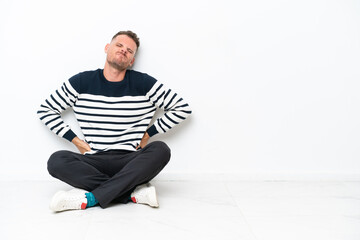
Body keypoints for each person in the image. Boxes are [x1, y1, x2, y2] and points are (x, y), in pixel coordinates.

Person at [37, 30, 192, 212]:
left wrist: (148, 134)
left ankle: (92, 198)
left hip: (130, 160)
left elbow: (182, 108)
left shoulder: (144, 83)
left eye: (130, 50)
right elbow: (46, 110)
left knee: (161, 150)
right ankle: (131, 194)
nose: (123, 50)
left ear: (132, 60)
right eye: (119, 45)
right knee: (56, 161)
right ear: (107, 48)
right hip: (94, 159)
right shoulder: (82, 82)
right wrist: (76, 141)